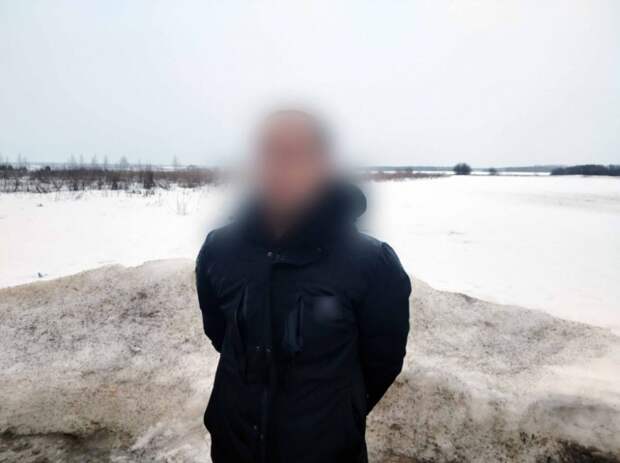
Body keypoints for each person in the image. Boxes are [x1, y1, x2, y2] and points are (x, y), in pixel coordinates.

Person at [195, 109, 411, 463]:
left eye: (296, 154)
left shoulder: (370, 263)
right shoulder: (221, 249)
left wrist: (339, 413)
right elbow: (220, 331)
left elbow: (382, 361)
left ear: (323, 165)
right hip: (233, 445)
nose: (280, 168)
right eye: (270, 152)